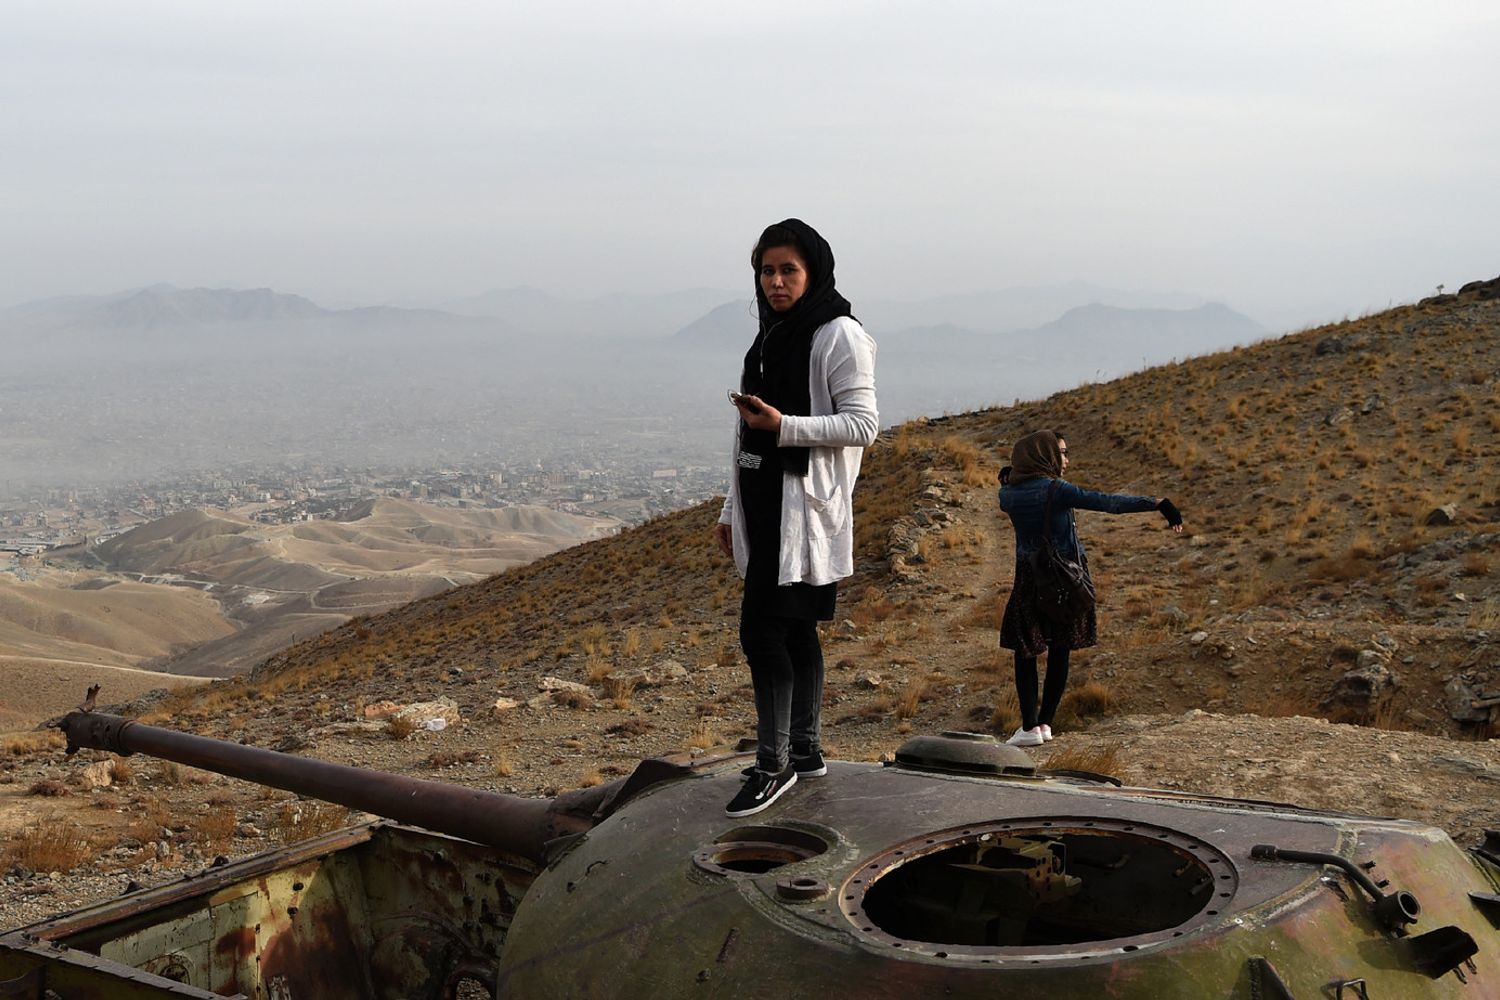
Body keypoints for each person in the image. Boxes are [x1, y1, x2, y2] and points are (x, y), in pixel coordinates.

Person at [714, 219, 878, 817]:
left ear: (813, 272)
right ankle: (805, 751)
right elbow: (746, 429)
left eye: (789, 270)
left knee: (762, 634)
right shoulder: (770, 336)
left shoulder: (839, 335)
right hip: (765, 504)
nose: (777, 282)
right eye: (767, 271)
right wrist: (733, 506)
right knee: (796, 630)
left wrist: (785, 426)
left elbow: (863, 425)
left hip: (803, 512)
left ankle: (772, 764)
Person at [998, 429, 1182, 746]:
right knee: (1060, 647)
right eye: (1062, 453)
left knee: (1025, 649)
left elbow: (1010, 485)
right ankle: (1044, 724)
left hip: (1030, 576)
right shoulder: (1058, 490)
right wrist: (1157, 504)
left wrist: (1010, 475)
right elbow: (1107, 503)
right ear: (1046, 457)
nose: (1066, 460)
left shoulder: (1008, 496)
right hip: (1067, 576)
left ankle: (1029, 727)